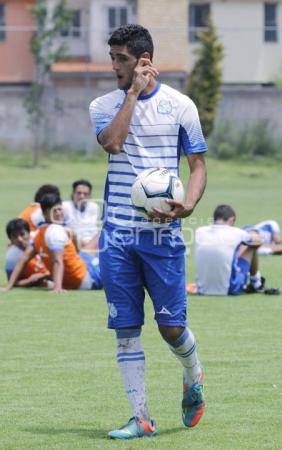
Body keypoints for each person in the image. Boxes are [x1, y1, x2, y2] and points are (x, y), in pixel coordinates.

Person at [89, 24, 207, 439]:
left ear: (143, 60)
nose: (114, 66)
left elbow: (197, 166)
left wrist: (188, 205)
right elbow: (113, 144)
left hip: (162, 236)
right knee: (125, 330)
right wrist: (133, 95)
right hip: (118, 235)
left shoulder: (180, 106)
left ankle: (193, 373)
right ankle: (141, 417)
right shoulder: (104, 104)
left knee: (171, 328)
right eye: (112, 58)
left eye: (121, 59)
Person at [3, 194, 102, 293]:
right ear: (45, 214)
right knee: (105, 245)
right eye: (54, 211)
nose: (59, 213)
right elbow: (57, 261)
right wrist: (57, 288)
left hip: (82, 267)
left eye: (60, 209)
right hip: (89, 278)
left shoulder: (39, 233)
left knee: (95, 244)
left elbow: (23, 259)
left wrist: (9, 286)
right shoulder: (55, 231)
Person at [187, 205, 271, 296]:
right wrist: (252, 232)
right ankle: (256, 283)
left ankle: (255, 282)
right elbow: (259, 241)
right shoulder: (237, 233)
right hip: (229, 289)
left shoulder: (200, 231)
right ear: (231, 219)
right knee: (252, 246)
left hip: (202, 289)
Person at [5, 218, 50, 287]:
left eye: (22, 234)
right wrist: (29, 280)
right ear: (10, 239)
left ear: (29, 232)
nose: (19, 239)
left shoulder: (40, 238)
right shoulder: (11, 257)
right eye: (14, 236)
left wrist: (44, 275)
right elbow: (13, 283)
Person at [63, 179, 100, 251]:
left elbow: (93, 228)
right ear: (73, 193)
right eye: (79, 193)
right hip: (74, 243)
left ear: (89, 196)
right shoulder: (65, 207)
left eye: (85, 194)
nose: (82, 196)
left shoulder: (94, 207)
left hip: (92, 242)